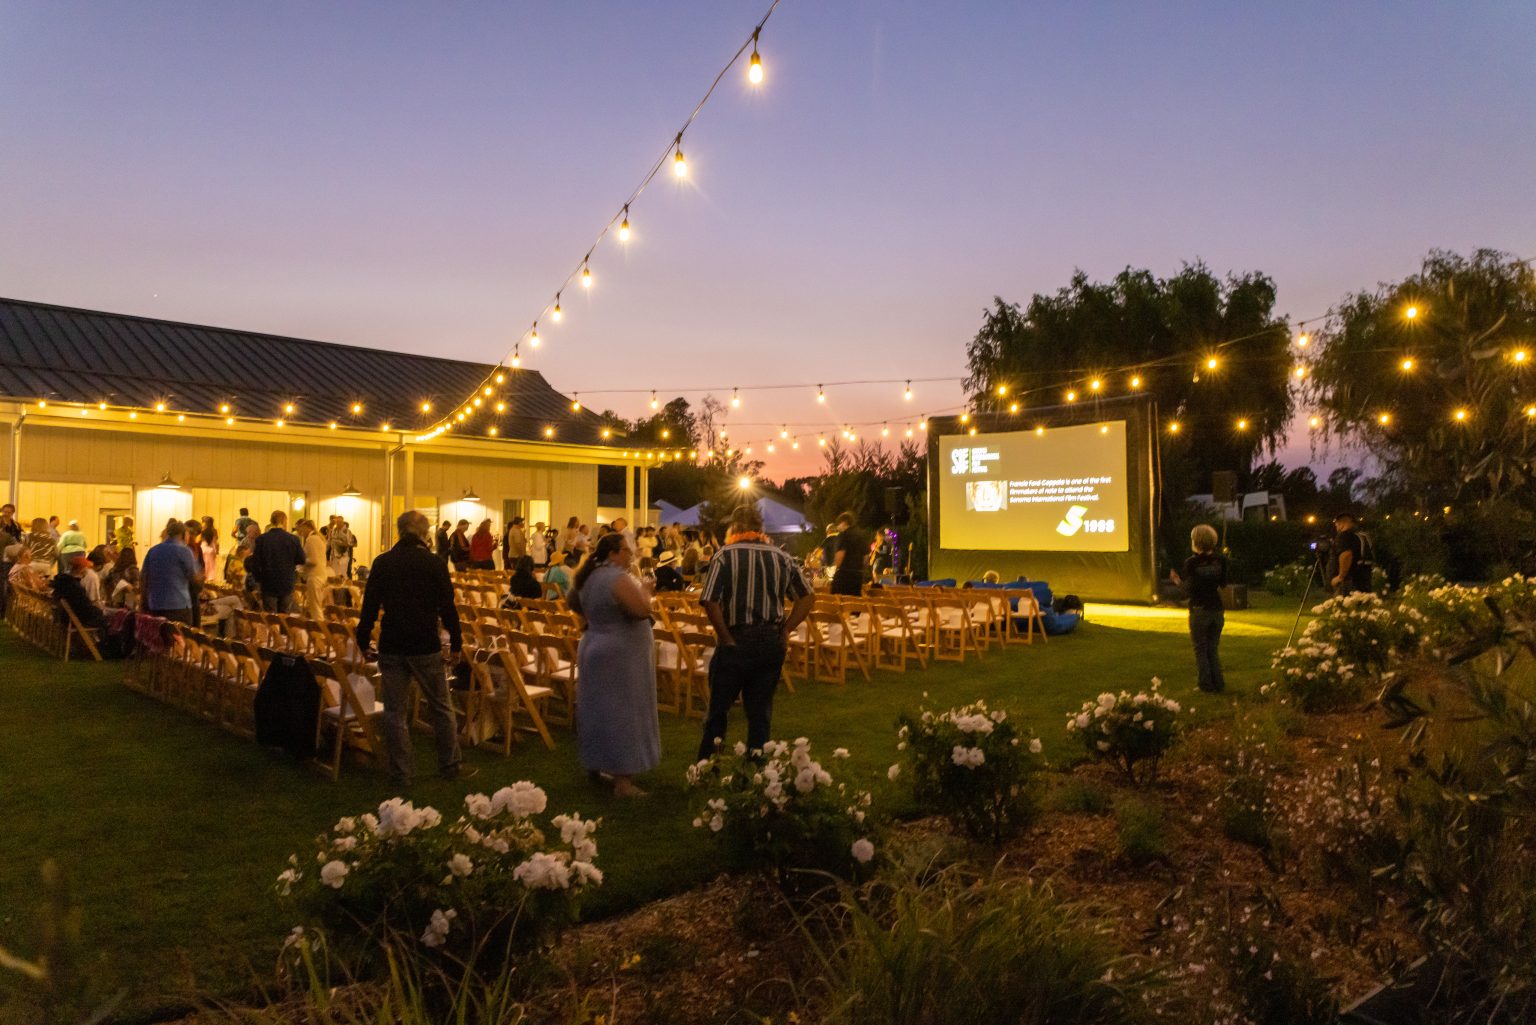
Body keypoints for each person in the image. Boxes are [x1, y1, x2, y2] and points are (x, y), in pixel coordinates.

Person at [356, 510, 475, 787]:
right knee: (441, 707)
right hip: (424, 643)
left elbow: (370, 606)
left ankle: (401, 773)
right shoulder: (433, 563)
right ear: (424, 534)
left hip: (393, 643)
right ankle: (450, 765)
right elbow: (448, 607)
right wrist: (456, 642)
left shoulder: (383, 562)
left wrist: (363, 639)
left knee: (394, 712)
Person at [696, 504, 814, 760]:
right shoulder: (781, 557)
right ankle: (758, 771)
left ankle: (706, 768)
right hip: (771, 641)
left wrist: (725, 637)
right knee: (760, 712)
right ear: (760, 528)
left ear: (735, 527)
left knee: (718, 710)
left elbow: (709, 600)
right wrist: (786, 630)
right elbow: (806, 597)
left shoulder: (725, 555)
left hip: (737, 638)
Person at [567, 532, 660, 797]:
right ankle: (623, 781)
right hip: (620, 655)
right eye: (626, 551)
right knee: (623, 712)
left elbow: (573, 601)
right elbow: (642, 610)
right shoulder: (616, 578)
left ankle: (597, 764)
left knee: (598, 709)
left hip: (595, 645)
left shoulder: (589, 576)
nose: (630, 555)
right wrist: (646, 591)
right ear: (612, 553)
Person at [1170, 524, 1227, 694]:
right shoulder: (1221, 560)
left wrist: (1177, 581)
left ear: (1196, 541)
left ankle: (1205, 685)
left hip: (1199, 608)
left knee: (1200, 648)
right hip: (1216, 609)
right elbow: (1223, 584)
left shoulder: (1192, 563)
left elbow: (1188, 590)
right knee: (1212, 648)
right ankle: (1219, 683)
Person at [141, 520, 203, 624]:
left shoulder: (153, 551)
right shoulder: (184, 551)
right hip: (178, 605)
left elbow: (143, 577)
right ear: (183, 534)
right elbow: (195, 577)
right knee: (181, 638)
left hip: (155, 605)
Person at [249, 510, 305, 613]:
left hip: (268, 583)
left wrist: (259, 579)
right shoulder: (293, 539)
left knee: (271, 618)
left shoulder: (262, 539)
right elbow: (301, 559)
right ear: (284, 521)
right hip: (287, 582)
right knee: (284, 617)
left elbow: (255, 563)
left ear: (271, 521)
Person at [52, 555, 107, 632]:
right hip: (75, 620)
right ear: (81, 569)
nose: (88, 571)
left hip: (64, 617)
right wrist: (99, 611)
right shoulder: (75, 587)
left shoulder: (64, 583)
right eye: (86, 568)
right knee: (108, 620)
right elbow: (85, 608)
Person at [1329, 512, 1374, 596]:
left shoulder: (1344, 536)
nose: (1336, 527)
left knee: (1347, 606)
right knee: (1363, 605)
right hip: (1364, 579)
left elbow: (1346, 555)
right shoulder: (1362, 535)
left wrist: (1340, 576)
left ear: (1342, 523)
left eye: (1337, 524)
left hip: (1349, 581)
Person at [296, 518, 330, 617]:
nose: (299, 533)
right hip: (319, 576)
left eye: (300, 529)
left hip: (314, 576)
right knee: (315, 606)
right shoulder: (318, 538)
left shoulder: (312, 539)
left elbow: (313, 561)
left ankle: (320, 630)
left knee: (315, 608)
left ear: (306, 527)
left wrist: (299, 561)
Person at [828, 511, 867, 597]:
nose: (838, 527)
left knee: (836, 601)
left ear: (844, 522)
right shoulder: (861, 536)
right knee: (854, 604)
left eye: (838, 524)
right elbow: (865, 558)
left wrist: (835, 567)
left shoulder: (843, 535)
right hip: (857, 576)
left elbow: (840, 556)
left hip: (844, 576)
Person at [200, 516, 220, 581]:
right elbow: (216, 542)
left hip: (203, 548)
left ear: (205, 523)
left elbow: (199, 540)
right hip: (212, 549)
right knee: (211, 566)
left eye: (203, 521)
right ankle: (210, 578)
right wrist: (217, 551)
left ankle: (205, 578)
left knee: (205, 564)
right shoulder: (214, 530)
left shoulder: (202, 530)